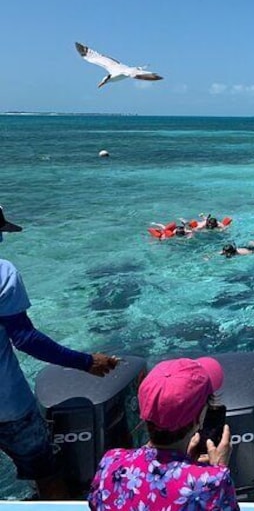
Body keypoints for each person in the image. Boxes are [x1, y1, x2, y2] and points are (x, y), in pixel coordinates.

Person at [0, 205, 118, 499]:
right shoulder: (3, 273)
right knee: (46, 473)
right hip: (8, 406)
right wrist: (86, 362)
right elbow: (25, 338)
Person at [88, 357, 238, 510]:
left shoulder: (111, 463)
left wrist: (187, 465)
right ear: (200, 415)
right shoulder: (212, 483)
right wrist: (218, 469)